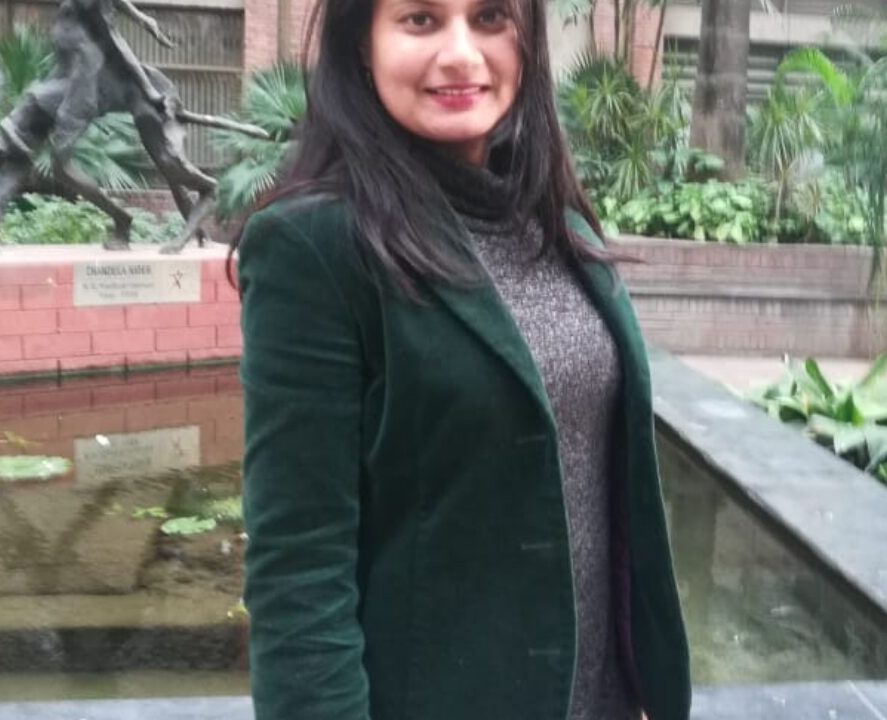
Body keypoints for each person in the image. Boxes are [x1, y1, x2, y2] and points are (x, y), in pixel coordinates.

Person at [232, 0, 691, 718]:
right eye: (420, 20)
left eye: (489, 18)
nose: (461, 54)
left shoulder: (554, 221)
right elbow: (299, 572)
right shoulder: (314, 247)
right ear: (363, 44)